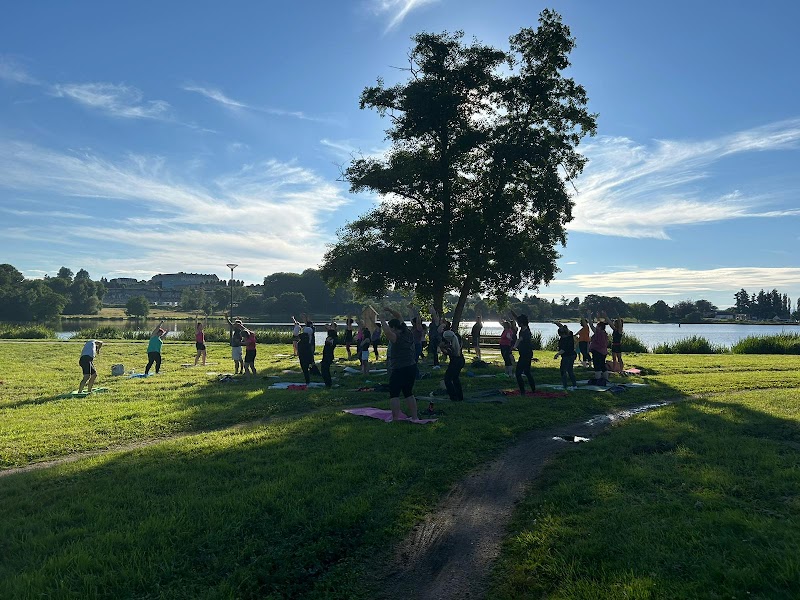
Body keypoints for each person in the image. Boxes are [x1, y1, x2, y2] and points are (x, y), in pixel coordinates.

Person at [380, 315, 419, 421]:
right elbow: (399, 317)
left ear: (393, 328)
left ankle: (395, 418)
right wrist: (390, 311)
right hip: (411, 367)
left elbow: (387, 333)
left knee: (394, 393)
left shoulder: (397, 337)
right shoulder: (408, 333)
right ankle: (414, 417)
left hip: (399, 368)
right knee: (408, 392)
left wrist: (382, 319)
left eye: (390, 328)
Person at [512, 313, 536, 395]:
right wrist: (513, 313)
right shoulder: (524, 328)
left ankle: (522, 391)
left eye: (518, 322)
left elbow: (519, 340)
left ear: (521, 323)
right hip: (525, 354)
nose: (517, 323)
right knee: (527, 372)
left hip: (526, 354)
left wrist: (514, 347)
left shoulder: (526, 332)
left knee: (518, 373)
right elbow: (517, 318)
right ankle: (533, 389)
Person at [441, 329, 465, 401]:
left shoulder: (450, 345)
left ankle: (453, 396)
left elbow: (449, 353)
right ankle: (459, 396)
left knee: (447, 379)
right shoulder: (457, 341)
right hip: (460, 360)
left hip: (455, 362)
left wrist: (442, 348)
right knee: (455, 378)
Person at [553, 323, 578, 390]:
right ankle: (574, 385)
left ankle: (565, 385)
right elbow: (565, 329)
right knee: (570, 370)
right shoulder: (570, 336)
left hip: (567, 356)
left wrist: (557, 354)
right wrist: (559, 325)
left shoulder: (564, 340)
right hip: (572, 355)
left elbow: (563, 350)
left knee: (563, 370)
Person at [588, 315, 610, 386]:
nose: (596, 327)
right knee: (603, 365)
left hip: (597, 352)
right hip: (603, 352)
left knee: (597, 366)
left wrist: (589, 315)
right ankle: (606, 379)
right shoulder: (604, 333)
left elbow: (591, 325)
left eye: (597, 326)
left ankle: (598, 380)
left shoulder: (598, 332)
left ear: (599, 327)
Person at [321, 323, 337, 388]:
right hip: (326, 355)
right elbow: (327, 326)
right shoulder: (332, 338)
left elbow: (329, 344)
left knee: (325, 370)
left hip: (328, 356)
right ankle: (327, 383)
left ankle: (328, 384)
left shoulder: (332, 339)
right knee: (324, 369)